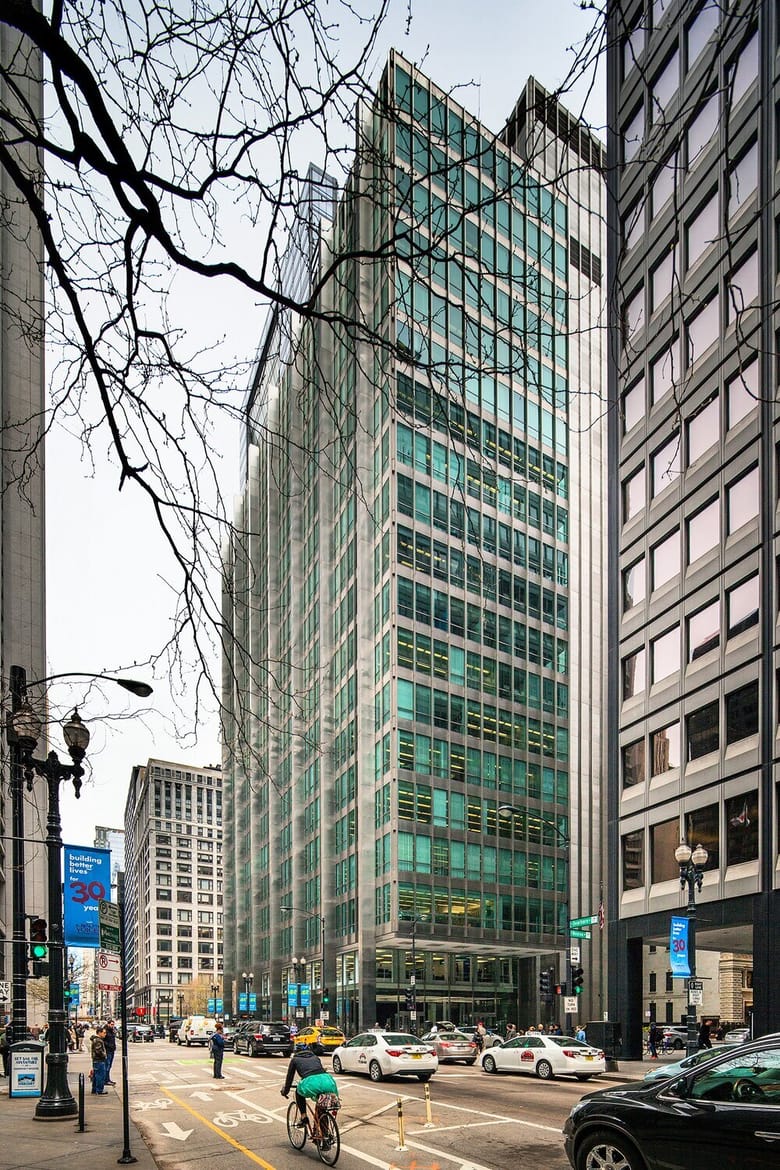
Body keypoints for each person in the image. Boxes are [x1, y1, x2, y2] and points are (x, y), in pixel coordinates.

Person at [280, 1042, 338, 1127]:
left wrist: (285, 1091)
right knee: (322, 1106)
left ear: (296, 1051)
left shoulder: (295, 1060)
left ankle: (304, 1117)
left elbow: (289, 1078)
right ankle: (324, 1132)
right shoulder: (315, 1057)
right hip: (327, 1080)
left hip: (311, 1082)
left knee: (298, 1092)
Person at [90, 1026, 109, 1094]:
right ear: (99, 1033)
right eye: (104, 1033)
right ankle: (99, 1090)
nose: (105, 1034)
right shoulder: (98, 1040)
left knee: (96, 1075)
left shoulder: (96, 1040)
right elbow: (99, 1051)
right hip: (99, 1060)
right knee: (100, 1075)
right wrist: (104, 1055)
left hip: (96, 1060)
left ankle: (95, 1089)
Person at [104, 1019, 117, 1084]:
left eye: (113, 1024)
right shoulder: (105, 1031)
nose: (113, 1026)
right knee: (107, 1065)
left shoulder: (112, 1031)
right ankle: (106, 1079)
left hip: (111, 1050)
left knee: (109, 1065)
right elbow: (103, 1040)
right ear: (108, 1024)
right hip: (108, 1050)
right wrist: (109, 1046)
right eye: (111, 1024)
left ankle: (107, 1079)